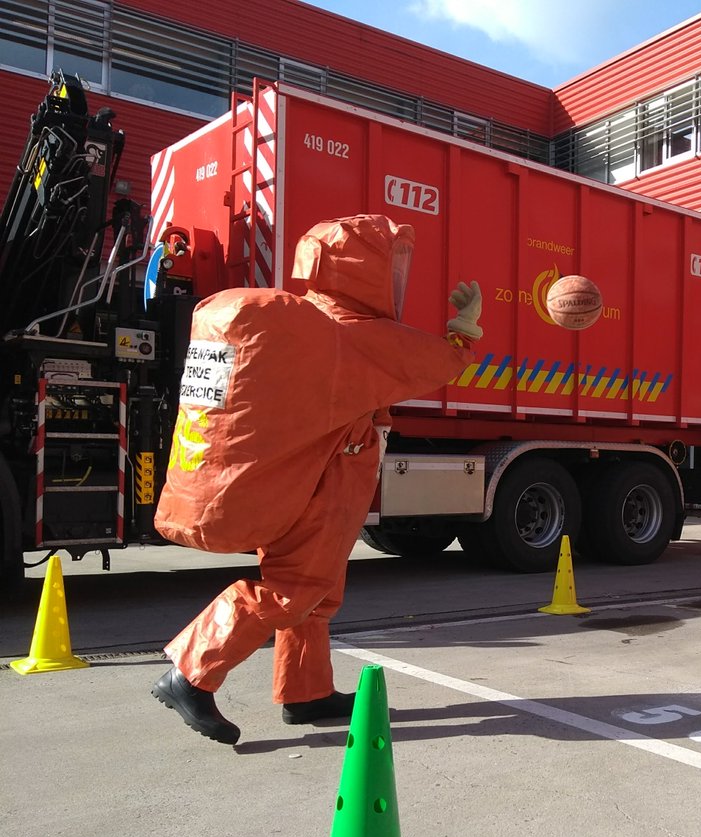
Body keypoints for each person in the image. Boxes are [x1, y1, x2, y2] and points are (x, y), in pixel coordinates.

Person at [151, 214, 482, 745]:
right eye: (390, 265)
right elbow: (442, 363)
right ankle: (190, 670)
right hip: (328, 481)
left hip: (301, 478)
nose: (397, 278)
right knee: (296, 589)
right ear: (365, 272)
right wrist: (464, 328)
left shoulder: (304, 324)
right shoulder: (356, 336)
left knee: (314, 589)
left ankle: (306, 691)